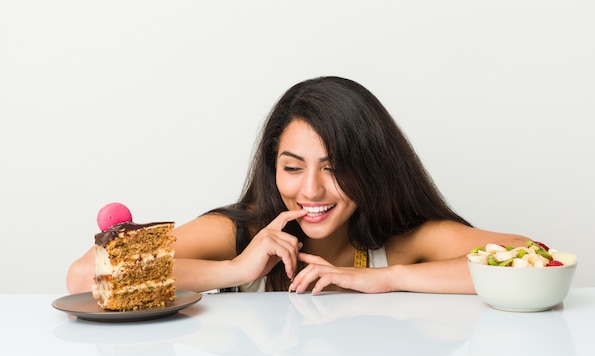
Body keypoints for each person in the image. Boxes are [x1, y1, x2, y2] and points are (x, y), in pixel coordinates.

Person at [66, 76, 530, 295]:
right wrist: (237, 270)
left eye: (334, 168)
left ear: (372, 166)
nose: (311, 190)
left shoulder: (403, 242)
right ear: (272, 168)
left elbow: (530, 259)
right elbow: (85, 276)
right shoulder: (240, 233)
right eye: (292, 168)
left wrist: (387, 277)